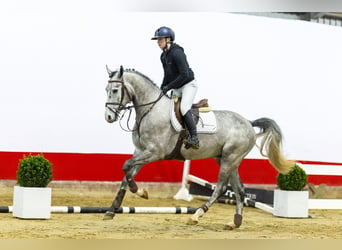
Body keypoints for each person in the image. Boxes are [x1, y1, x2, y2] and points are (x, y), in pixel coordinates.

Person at [151, 26, 199, 149]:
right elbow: (167, 75)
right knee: (168, 108)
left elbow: (185, 75)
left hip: (188, 85)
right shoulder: (163, 56)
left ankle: (194, 138)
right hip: (177, 87)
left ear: (169, 39)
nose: (158, 42)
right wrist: (161, 88)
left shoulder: (177, 53)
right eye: (158, 40)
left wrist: (169, 87)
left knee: (183, 108)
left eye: (160, 39)